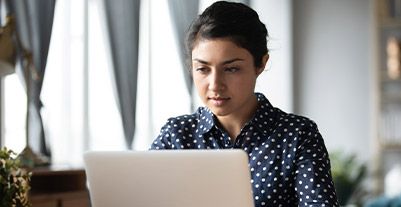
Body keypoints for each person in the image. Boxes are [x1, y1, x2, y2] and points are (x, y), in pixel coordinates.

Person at [150, 1, 339, 206]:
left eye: (231, 69)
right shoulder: (176, 136)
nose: (215, 85)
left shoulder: (297, 136)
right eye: (203, 69)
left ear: (261, 64)